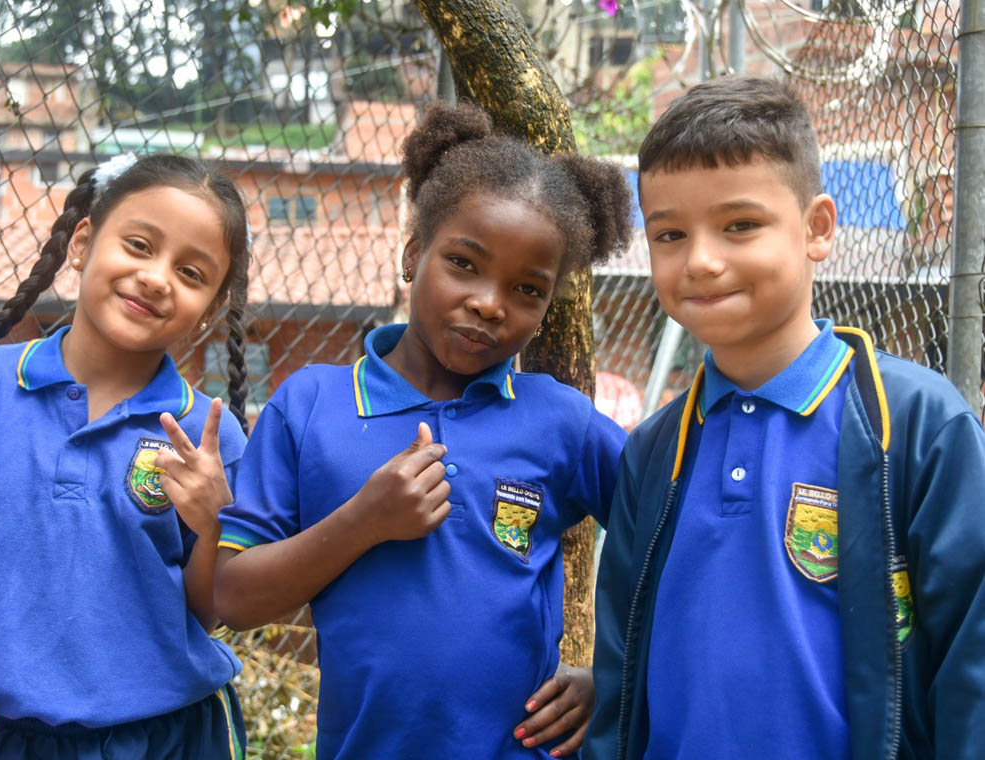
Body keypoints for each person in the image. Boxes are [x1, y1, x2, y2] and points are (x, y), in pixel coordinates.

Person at [213, 100, 633, 759]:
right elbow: (229, 595)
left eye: (527, 290)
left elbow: (678, 539)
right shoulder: (311, 406)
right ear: (413, 253)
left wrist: (614, 674)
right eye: (464, 264)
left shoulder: (559, 421)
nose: (489, 303)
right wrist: (363, 522)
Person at [585, 76, 985, 760]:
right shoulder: (653, 452)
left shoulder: (916, 425)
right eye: (670, 234)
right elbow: (620, 669)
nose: (702, 260)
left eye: (739, 225)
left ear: (816, 228)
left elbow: (970, 666)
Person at [0, 153, 252, 759]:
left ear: (208, 308)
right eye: (139, 244)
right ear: (82, 243)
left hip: (172, 735)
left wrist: (209, 525)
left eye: (192, 273)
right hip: (21, 739)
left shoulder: (207, 434)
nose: (156, 277)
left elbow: (207, 610)